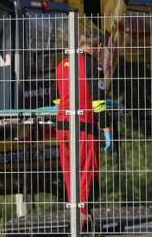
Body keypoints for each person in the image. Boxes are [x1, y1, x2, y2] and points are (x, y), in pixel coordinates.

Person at [55, 29, 115, 229]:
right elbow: (99, 103)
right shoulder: (92, 66)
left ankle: (76, 210)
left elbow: (56, 98)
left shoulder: (61, 64)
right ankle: (82, 215)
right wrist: (107, 130)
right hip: (84, 127)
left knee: (70, 170)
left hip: (62, 126)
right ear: (97, 46)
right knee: (87, 170)